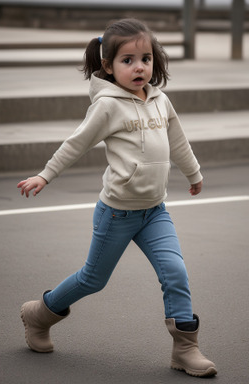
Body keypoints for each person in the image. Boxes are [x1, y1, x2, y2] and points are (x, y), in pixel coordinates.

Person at [17, 18, 217, 377]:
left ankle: (186, 349)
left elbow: (178, 142)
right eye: (127, 60)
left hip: (155, 212)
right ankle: (38, 314)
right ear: (108, 66)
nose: (139, 66)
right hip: (117, 215)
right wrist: (45, 174)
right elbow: (76, 144)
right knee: (93, 279)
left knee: (175, 272)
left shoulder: (160, 100)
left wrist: (195, 173)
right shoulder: (108, 106)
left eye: (145, 58)